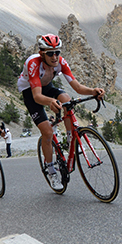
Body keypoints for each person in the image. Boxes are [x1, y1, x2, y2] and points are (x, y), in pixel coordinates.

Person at [17, 34, 105, 190]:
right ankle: (51, 172)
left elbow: (77, 87)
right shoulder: (33, 63)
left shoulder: (60, 62)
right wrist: (50, 101)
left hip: (46, 86)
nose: (54, 56)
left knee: (66, 98)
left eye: (57, 52)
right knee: (47, 132)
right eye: (50, 53)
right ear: (42, 53)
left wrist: (93, 91)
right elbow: (37, 96)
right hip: (31, 91)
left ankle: (72, 138)